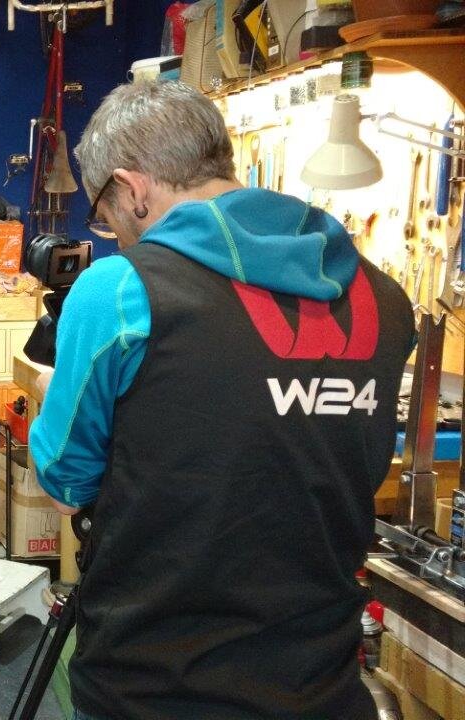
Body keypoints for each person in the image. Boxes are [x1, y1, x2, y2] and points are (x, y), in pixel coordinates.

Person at [29, 81, 415, 720]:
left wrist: (53, 396)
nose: (114, 234)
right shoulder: (383, 296)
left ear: (132, 189)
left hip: (154, 684)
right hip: (320, 678)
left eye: (106, 213)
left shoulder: (120, 290)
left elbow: (67, 482)